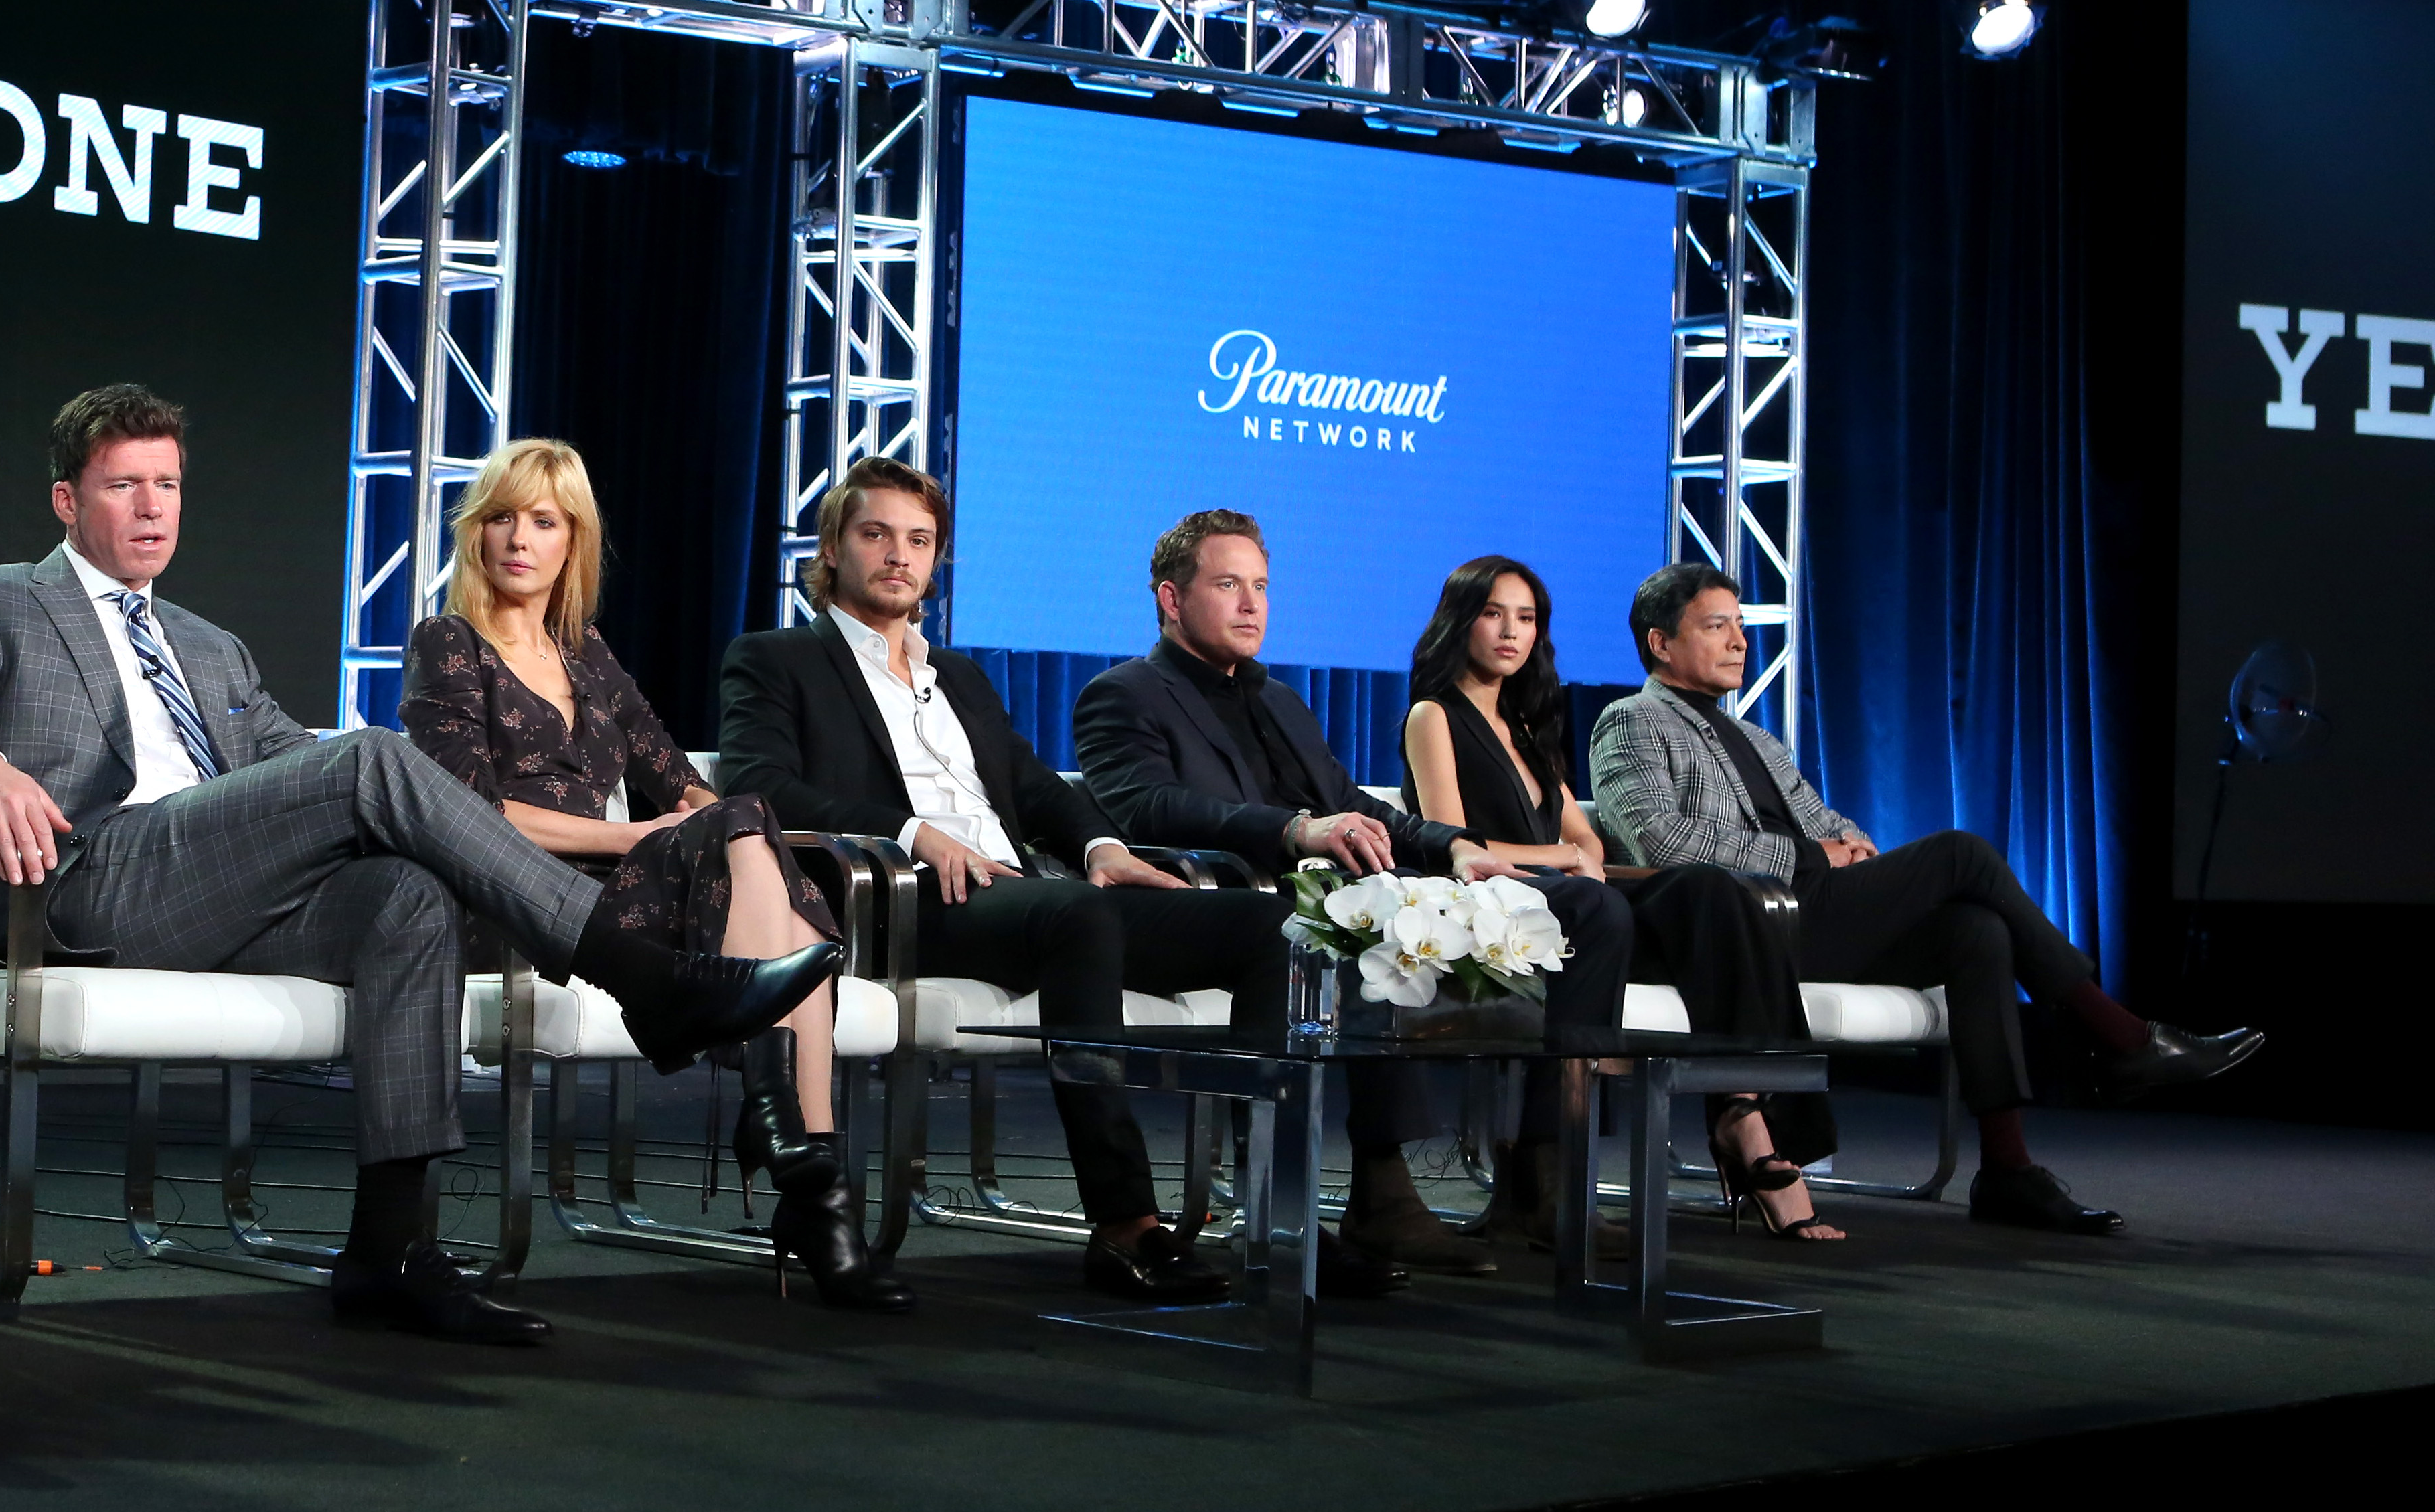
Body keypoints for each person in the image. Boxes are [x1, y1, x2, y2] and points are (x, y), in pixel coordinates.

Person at [0, 386, 838, 1347]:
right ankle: (642, 971)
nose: (152, 506)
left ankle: (390, 1247)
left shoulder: (211, 647)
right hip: (87, 883)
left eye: (167, 483)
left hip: (219, 892)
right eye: (123, 484)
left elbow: (294, 764)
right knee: (371, 754)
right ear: (67, 501)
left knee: (405, 895)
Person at [715, 460, 1373, 1302]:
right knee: (1077, 916)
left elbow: (1032, 787)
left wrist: (1100, 845)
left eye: (918, 541)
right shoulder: (776, 658)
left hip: (1029, 899)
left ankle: (1275, 1206)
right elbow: (760, 785)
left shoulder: (956, 674)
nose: (897, 555)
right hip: (905, 900)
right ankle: (1126, 1222)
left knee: (1268, 924)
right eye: (874, 534)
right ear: (833, 550)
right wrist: (917, 832)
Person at [1590, 562, 2264, 1236]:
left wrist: (1848, 847)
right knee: (1959, 853)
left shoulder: (1758, 739)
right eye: (1717, 627)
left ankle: (2007, 1168)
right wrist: (1806, 855)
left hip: (1820, 913)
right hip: (1744, 930)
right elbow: (1659, 841)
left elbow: (1829, 822)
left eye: (1740, 626)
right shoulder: (1630, 722)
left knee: (1975, 931)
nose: (1740, 641)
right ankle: (2122, 1038)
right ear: (1660, 643)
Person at [400, 440, 910, 1313]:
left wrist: (719, 828)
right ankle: (812, 1181)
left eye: (544, 521)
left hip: (612, 896)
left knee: (744, 821)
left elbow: (677, 775)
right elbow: (467, 809)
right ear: (475, 533)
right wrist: (645, 829)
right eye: (502, 518)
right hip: (511, 899)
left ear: (573, 542)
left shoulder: (585, 653)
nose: (519, 538)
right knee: (746, 833)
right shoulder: (449, 642)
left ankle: (801, 1159)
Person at [1075, 512, 1634, 1272]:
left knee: (1591, 908)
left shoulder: (1280, 701)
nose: (1252, 605)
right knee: (1361, 924)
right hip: (1238, 909)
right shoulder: (1124, 693)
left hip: (1349, 890)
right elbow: (1147, 806)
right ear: (1171, 601)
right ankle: (1383, 1190)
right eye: (1228, 585)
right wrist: (1296, 830)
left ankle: (1543, 1172)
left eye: (1261, 587)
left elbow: (1359, 805)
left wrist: (1457, 850)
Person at [1401, 554, 1842, 1243]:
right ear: (1460, 622)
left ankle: (1756, 1113)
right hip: (1493, 906)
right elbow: (1451, 838)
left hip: (1569, 900)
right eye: (1493, 614)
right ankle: (1557, 1177)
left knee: (1707, 887)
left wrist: (1574, 856)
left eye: (1526, 619)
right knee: (1610, 907)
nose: (1510, 633)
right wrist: (1563, 856)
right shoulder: (1434, 715)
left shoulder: (1528, 730)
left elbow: (1593, 846)